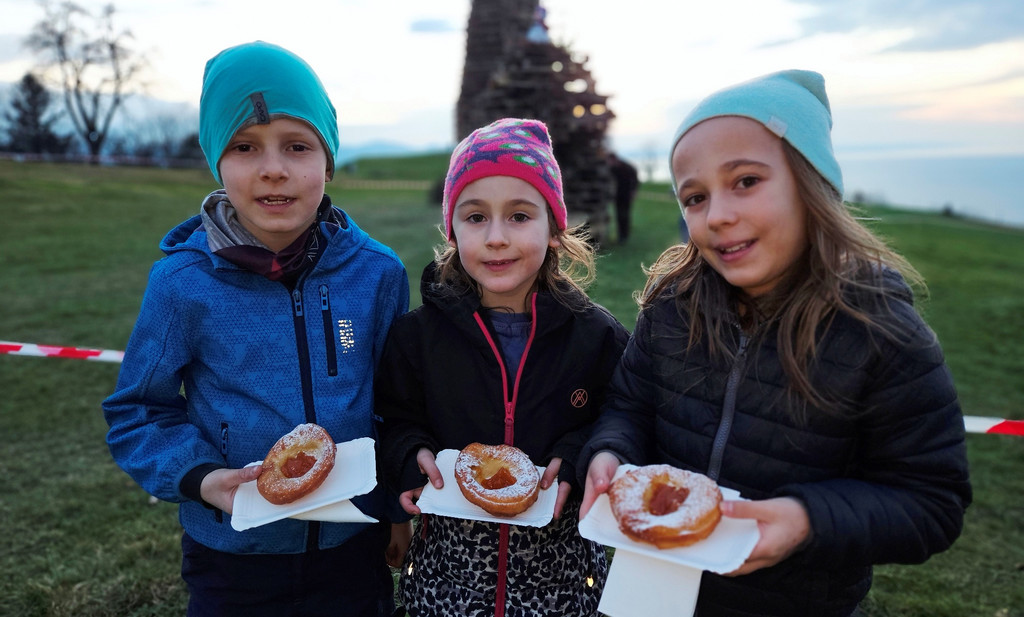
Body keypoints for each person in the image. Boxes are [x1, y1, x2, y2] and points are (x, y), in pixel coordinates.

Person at [578, 70, 971, 616]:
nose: (718, 215)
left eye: (745, 181)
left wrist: (806, 520)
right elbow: (631, 404)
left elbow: (933, 502)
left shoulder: (879, 331)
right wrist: (610, 452)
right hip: (649, 592)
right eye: (694, 197)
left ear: (811, 185)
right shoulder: (672, 306)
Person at [102, 41, 410, 617]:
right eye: (245, 147)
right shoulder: (181, 284)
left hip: (353, 549)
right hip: (232, 559)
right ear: (218, 161)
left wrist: (392, 509)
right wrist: (203, 477)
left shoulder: (378, 274)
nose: (273, 168)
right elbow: (137, 412)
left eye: (298, 146)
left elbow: (397, 405)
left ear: (328, 159)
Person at [375, 118, 630, 617]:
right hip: (447, 577)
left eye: (518, 215)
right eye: (475, 217)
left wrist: (578, 454)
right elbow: (393, 415)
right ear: (452, 230)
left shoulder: (596, 337)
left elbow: (622, 417)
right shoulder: (417, 337)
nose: (495, 238)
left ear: (554, 229)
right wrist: (411, 453)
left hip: (560, 578)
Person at [607, 151, 640, 244]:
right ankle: (620, 235)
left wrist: (634, 190)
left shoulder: (627, 167)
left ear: (614, 159)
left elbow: (635, 179)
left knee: (625, 215)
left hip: (626, 194)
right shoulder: (613, 168)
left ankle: (624, 235)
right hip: (618, 195)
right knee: (618, 215)